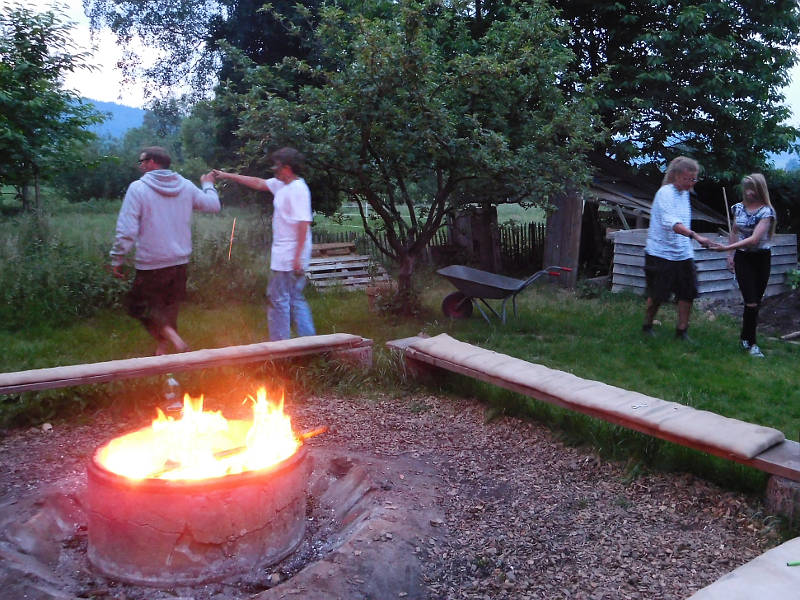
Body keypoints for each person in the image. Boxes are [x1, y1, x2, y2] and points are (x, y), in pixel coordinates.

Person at [110, 146, 220, 355]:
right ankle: (162, 349)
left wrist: (118, 257)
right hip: (179, 262)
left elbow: (127, 229)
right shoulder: (186, 186)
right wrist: (207, 185)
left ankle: (173, 339)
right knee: (168, 309)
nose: (140, 165)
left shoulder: (138, 189)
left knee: (137, 306)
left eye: (142, 161)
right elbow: (213, 205)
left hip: (152, 263)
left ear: (153, 162)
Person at [212, 147, 316, 341]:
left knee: (278, 299)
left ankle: (280, 346)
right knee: (294, 298)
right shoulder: (282, 185)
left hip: (289, 256)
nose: (274, 169)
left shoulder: (298, 190)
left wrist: (297, 258)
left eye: (277, 165)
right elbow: (258, 183)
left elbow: (303, 224)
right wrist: (226, 175)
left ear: (286, 167)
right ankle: (310, 343)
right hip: (288, 255)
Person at [641, 156, 712, 340]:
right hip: (660, 253)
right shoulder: (665, 194)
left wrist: (691, 241)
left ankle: (682, 332)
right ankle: (647, 326)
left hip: (683, 254)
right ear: (676, 176)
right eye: (688, 179)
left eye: (694, 179)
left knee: (687, 292)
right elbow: (671, 223)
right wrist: (695, 236)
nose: (691, 183)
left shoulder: (685, 194)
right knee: (658, 294)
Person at [709, 173, 776, 357]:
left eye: (752, 188)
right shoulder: (737, 208)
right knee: (751, 301)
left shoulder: (766, 212)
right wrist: (730, 255)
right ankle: (751, 344)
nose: (748, 192)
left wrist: (725, 248)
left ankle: (745, 339)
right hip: (743, 259)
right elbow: (734, 231)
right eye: (746, 188)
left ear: (760, 189)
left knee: (756, 301)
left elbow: (754, 239)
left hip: (761, 258)